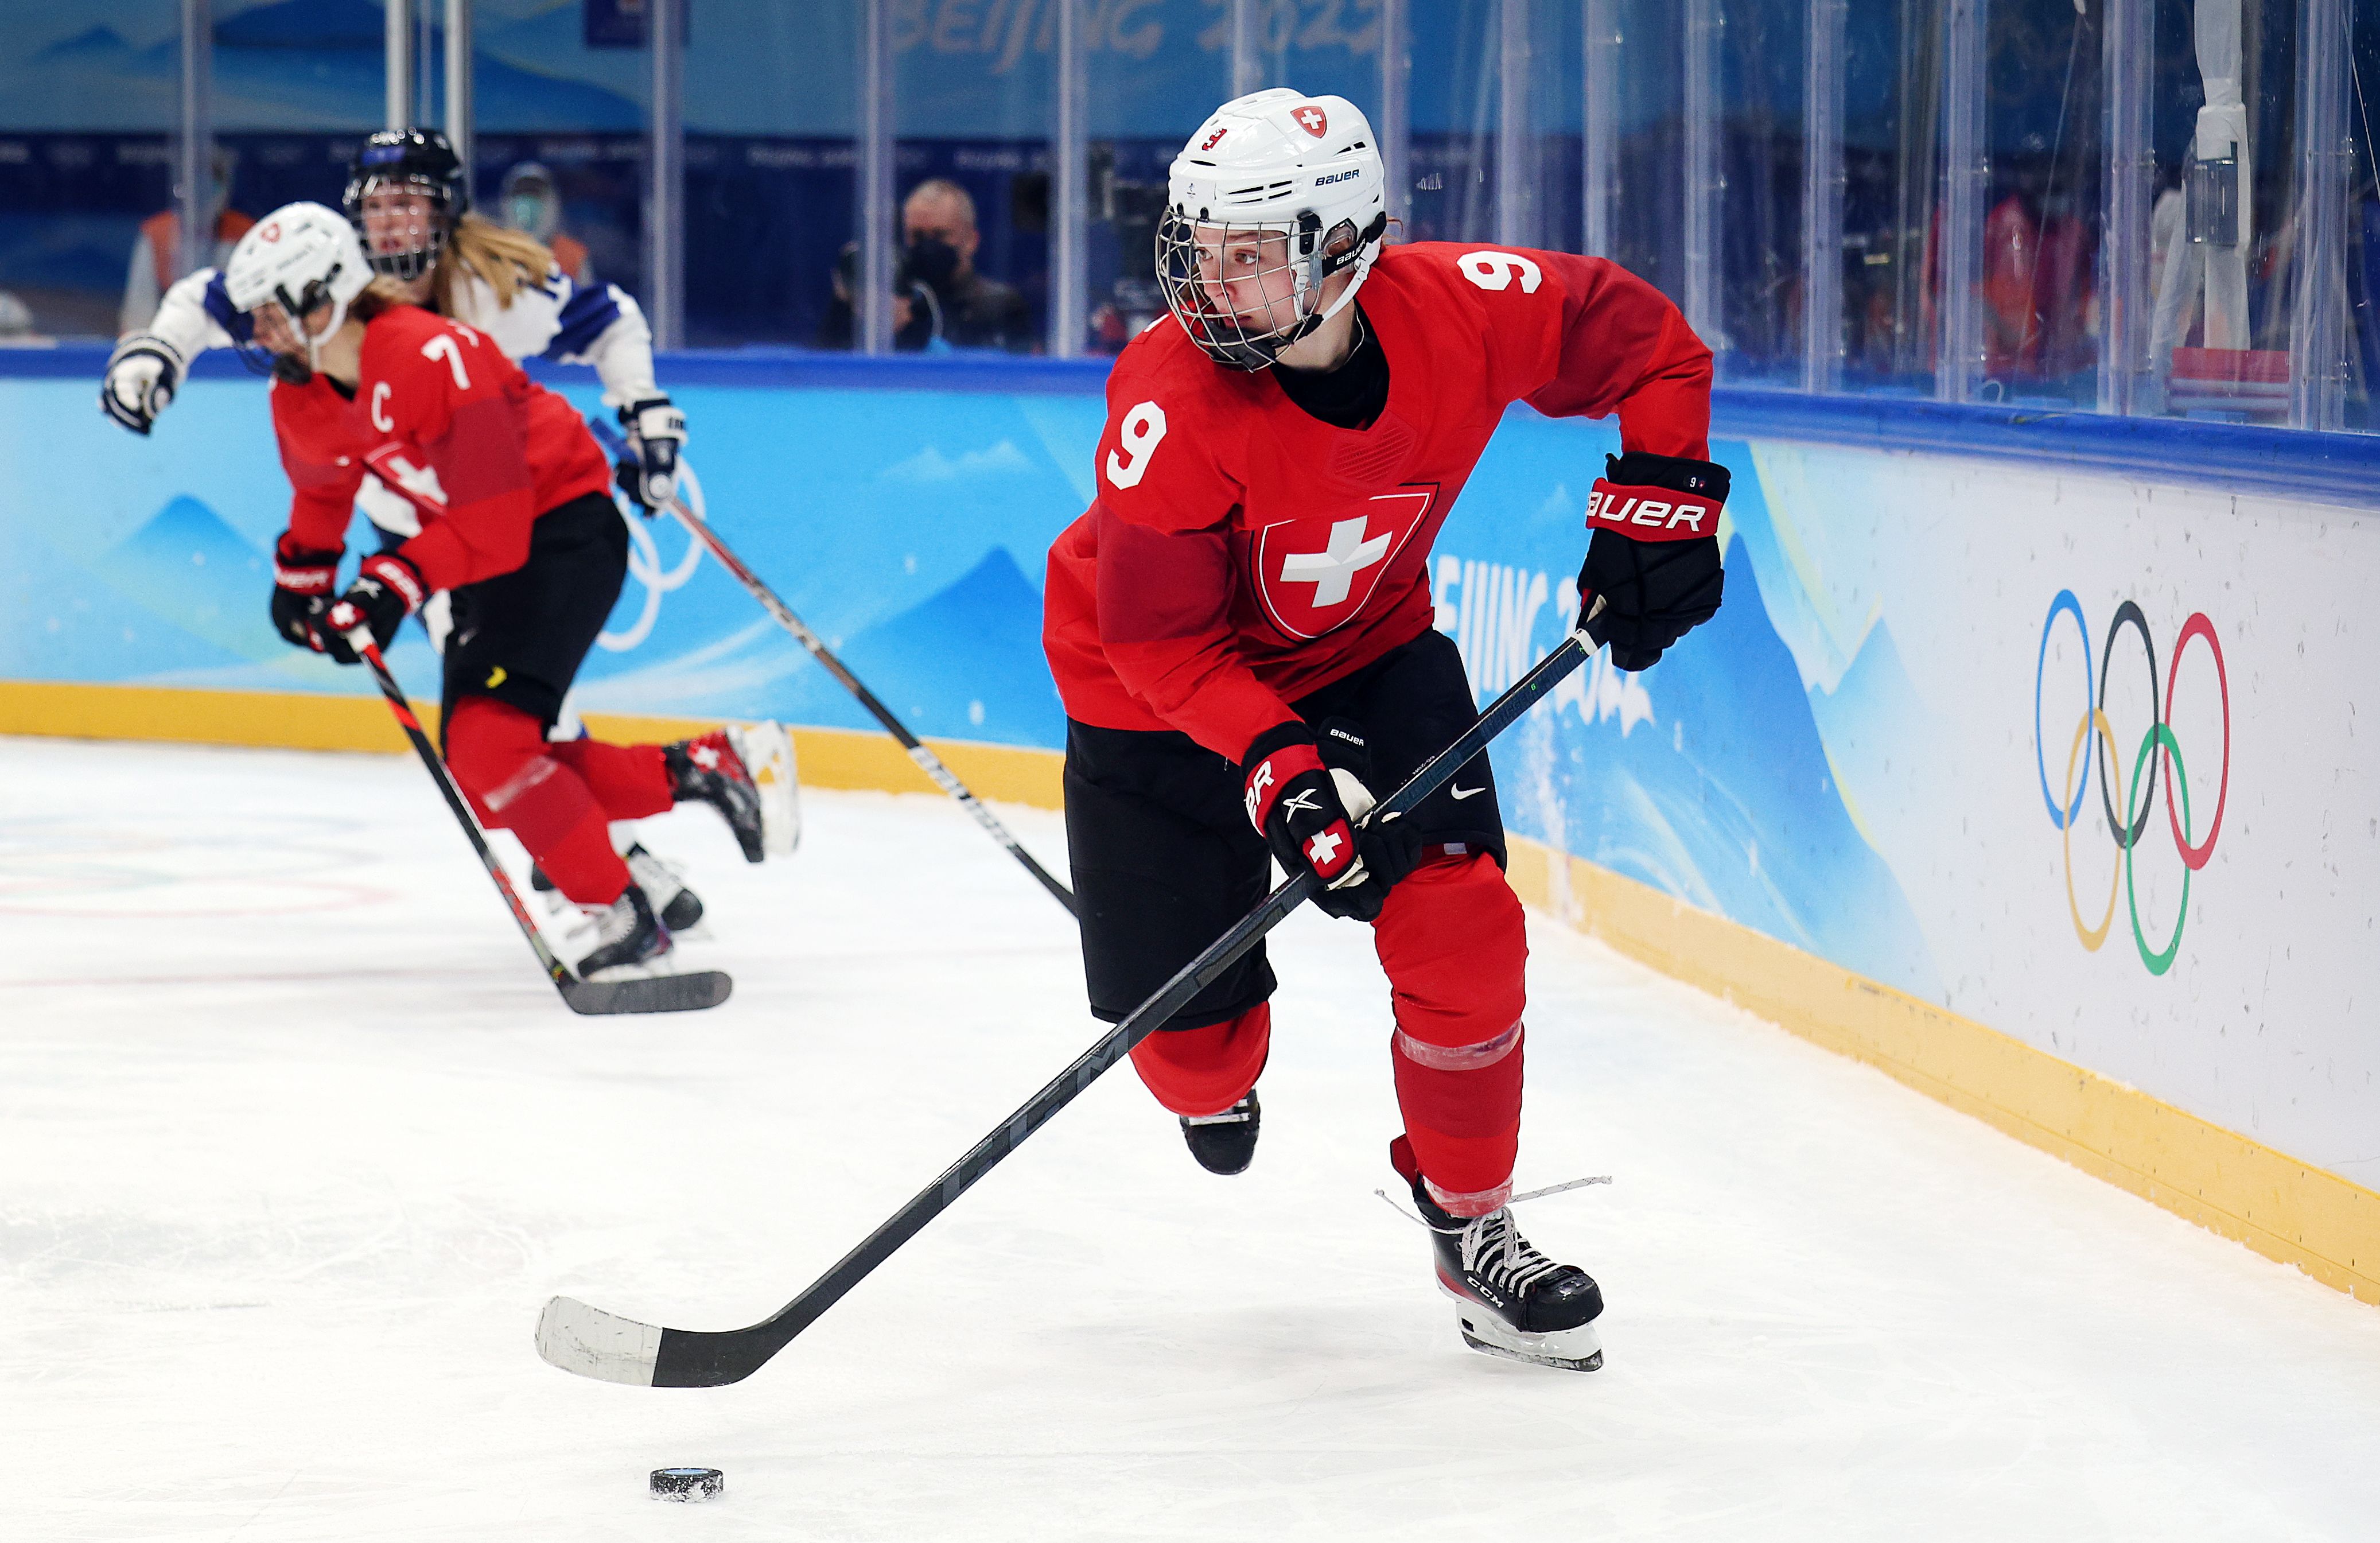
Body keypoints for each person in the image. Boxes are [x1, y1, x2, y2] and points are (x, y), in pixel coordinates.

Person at [1041, 90, 1728, 1372]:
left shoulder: (1461, 306)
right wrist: (1284, 775)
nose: (1210, 279)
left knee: (1465, 924)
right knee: (1194, 1061)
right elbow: (1159, 644)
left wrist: (1665, 500)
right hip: (1146, 690)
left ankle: (1471, 1226)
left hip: (1368, 656)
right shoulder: (1167, 403)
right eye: (1199, 244)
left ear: (1344, 249)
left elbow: (1643, 339)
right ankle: (1210, 1064)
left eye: (1250, 250)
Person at [220, 202, 794, 980]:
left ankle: (620, 909)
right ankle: (707, 767)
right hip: (485, 557)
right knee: (492, 777)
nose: (262, 334)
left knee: (490, 746)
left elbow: (499, 526)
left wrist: (390, 583)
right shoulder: (300, 393)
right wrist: (304, 582)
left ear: (325, 294)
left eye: (272, 313)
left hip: (562, 535)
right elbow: (323, 491)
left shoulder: (430, 354)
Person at [101, 129, 684, 523]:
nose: (388, 223)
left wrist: (646, 415)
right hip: (400, 511)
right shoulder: (326, 278)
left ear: (444, 209)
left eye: (406, 204)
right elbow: (206, 297)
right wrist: (157, 353)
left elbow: (611, 319)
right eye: (376, 207)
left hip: (492, 503)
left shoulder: (494, 288)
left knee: (506, 680)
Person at [818, 178, 1035, 352]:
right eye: (917, 236)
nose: (927, 246)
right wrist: (846, 304)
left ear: (971, 241)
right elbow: (826, 366)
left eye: (940, 235)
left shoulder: (1001, 304)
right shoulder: (890, 297)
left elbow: (1006, 379)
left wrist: (912, 324)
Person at [119, 146, 254, 339]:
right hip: (169, 340)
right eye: (195, 188)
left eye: (212, 188)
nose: (202, 199)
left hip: (229, 347)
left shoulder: (245, 234)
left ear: (225, 191)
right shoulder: (157, 234)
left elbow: (258, 313)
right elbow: (139, 315)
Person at [497, 161, 594, 287]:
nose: (529, 205)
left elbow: (588, 303)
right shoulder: (494, 252)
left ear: (553, 203)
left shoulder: (573, 256)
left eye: (536, 196)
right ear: (507, 203)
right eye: (521, 195)